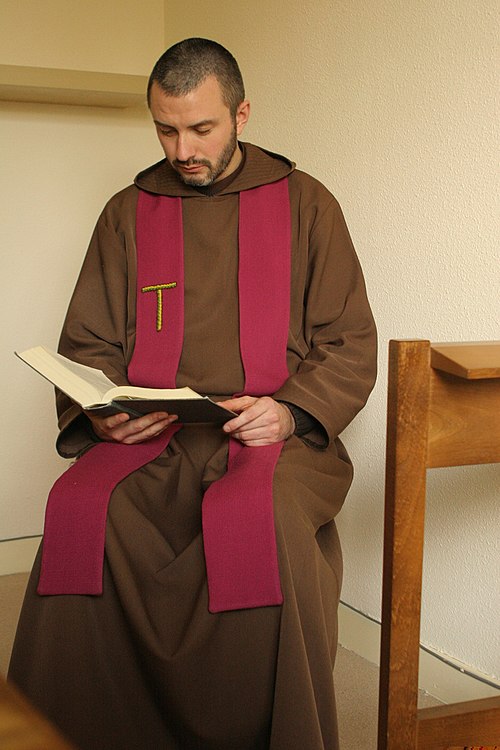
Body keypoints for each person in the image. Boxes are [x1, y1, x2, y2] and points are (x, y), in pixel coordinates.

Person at [8, 38, 377, 750]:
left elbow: (347, 340)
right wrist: (100, 412)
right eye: (165, 129)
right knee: (81, 506)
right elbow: (87, 343)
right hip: (156, 432)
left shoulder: (307, 205)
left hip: (269, 434)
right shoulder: (127, 213)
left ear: (241, 112)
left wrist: (292, 411)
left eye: (201, 128)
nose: (182, 148)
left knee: (259, 523)